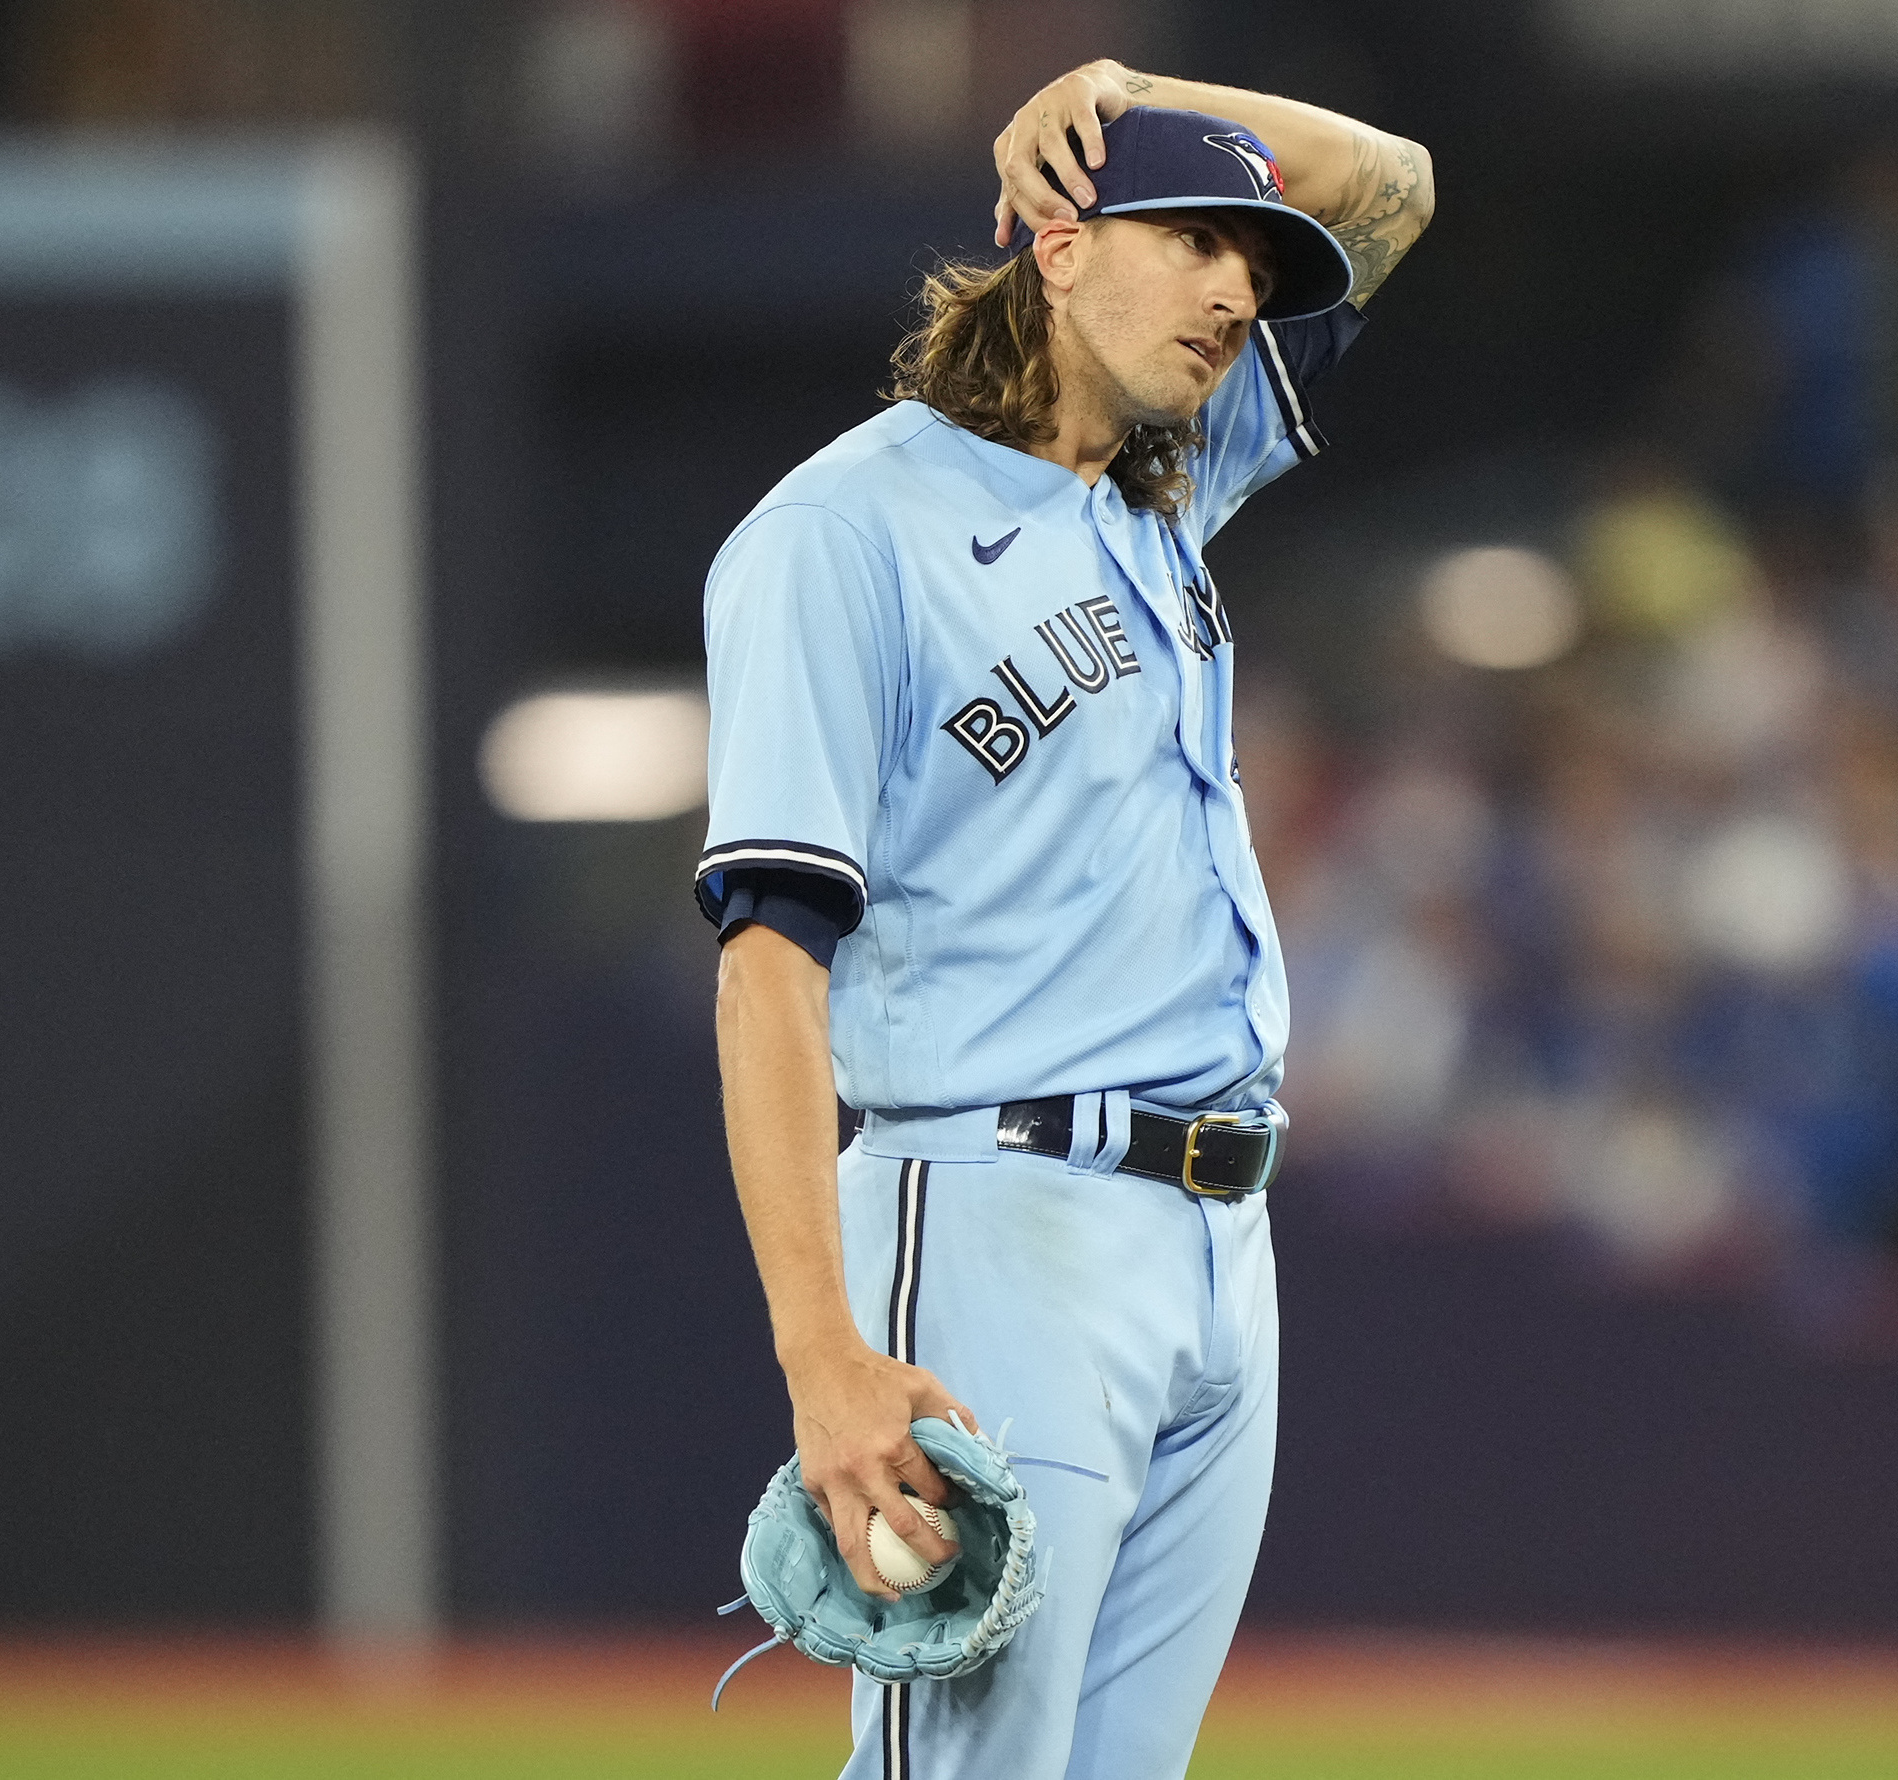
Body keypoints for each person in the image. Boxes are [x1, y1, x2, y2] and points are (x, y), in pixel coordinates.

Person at [698, 56, 1433, 1780]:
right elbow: (766, 970)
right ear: (1053, 236)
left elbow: (1391, 186)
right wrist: (824, 1359)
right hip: (994, 1217)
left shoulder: (1166, 481)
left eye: (1251, 264)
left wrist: (1139, 88)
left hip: (1211, 1245)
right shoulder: (836, 537)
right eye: (1190, 237)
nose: (1234, 287)